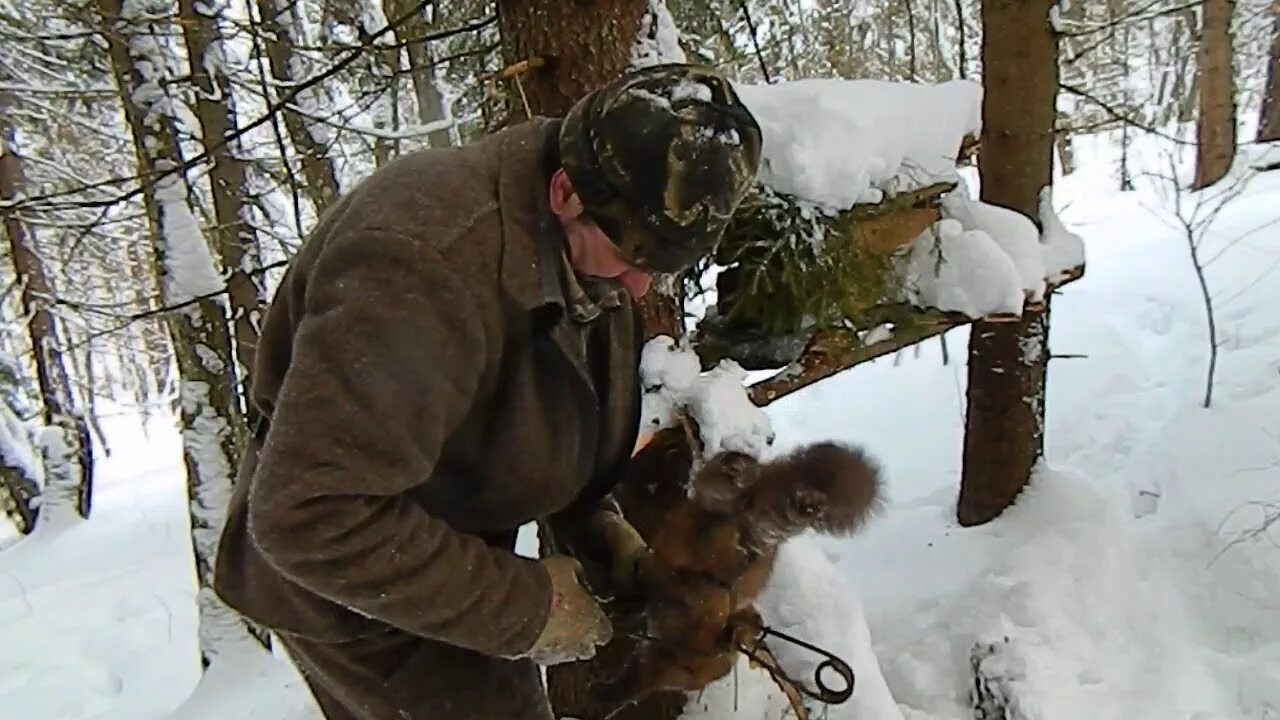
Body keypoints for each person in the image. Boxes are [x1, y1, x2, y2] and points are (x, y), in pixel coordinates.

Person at [211, 62, 763, 720]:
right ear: (565, 192)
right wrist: (532, 608)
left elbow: (543, 403)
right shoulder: (417, 266)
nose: (640, 289)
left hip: (449, 538)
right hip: (353, 587)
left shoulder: (596, 238)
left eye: (662, 265)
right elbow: (311, 515)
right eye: (635, 255)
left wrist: (599, 535)